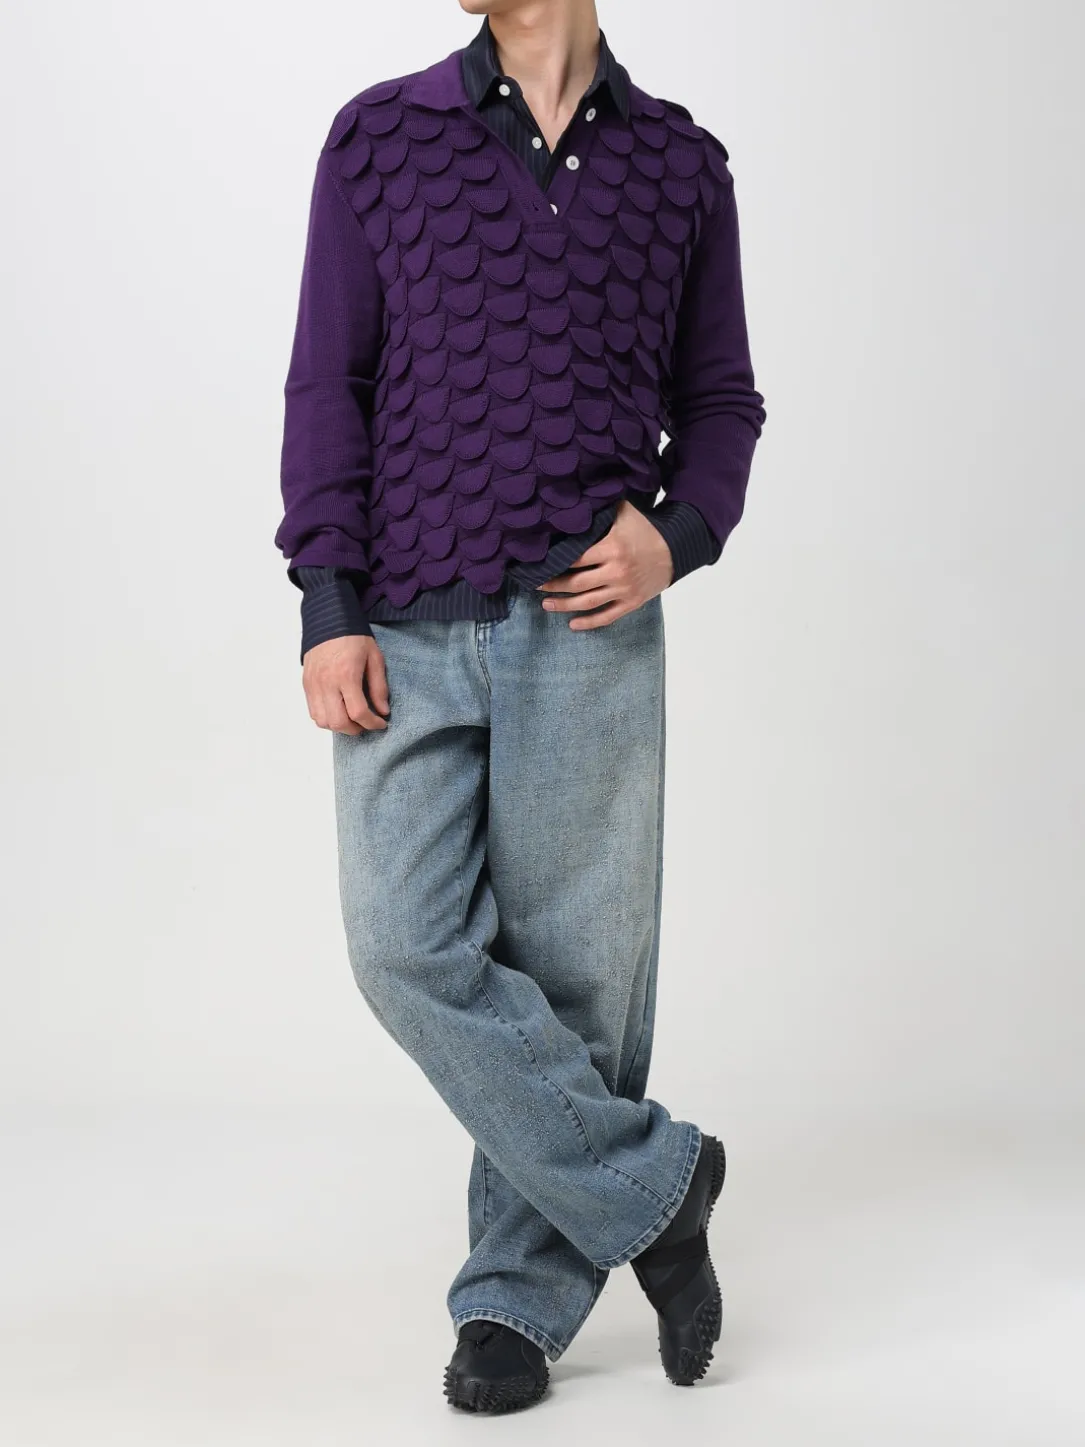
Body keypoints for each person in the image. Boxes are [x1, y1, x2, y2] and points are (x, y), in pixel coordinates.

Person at [273, 0, 765, 1414]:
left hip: (589, 630)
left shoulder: (680, 167)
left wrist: (678, 534)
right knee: (403, 944)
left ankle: (514, 1298)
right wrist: (328, 602)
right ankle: (660, 1187)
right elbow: (328, 383)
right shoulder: (380, 140)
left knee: (577, 979)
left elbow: (722, 403)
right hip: (406, 627)